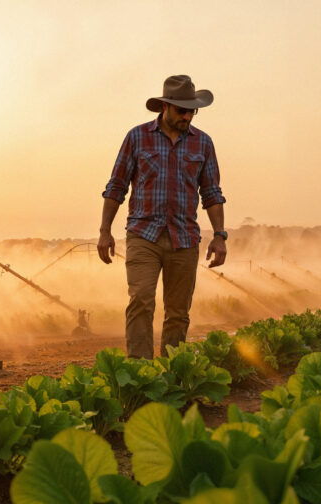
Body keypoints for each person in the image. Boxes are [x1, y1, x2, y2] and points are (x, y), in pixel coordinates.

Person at [98, 74, 228, 359]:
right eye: (181, 110)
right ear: (165, 107)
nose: (187, 116)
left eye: (191, 111)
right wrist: (104, 231)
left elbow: (212, 193)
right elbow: (116, 186)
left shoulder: (203, 144)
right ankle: (140, 373)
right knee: (141, 300)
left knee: (178, 312)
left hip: (184, 238)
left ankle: (171, 377)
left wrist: (219, 236)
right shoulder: (137, 137)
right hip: (143, 235)